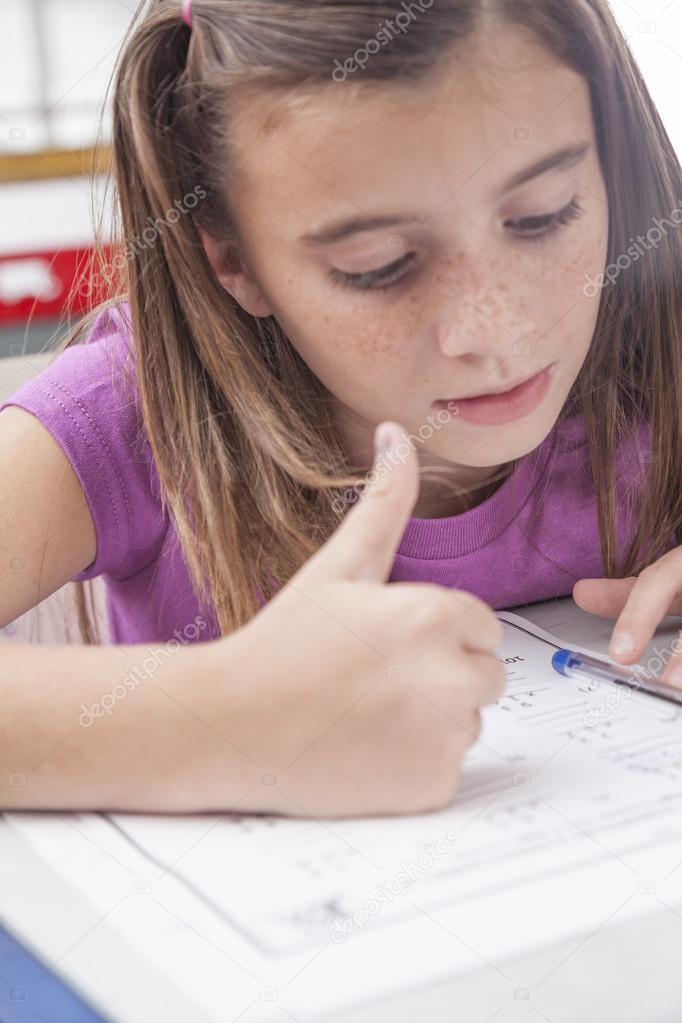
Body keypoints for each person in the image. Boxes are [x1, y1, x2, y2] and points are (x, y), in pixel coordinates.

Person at [1, 0, 681, 817]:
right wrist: (231, 723)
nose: (494, 330)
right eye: (379, 265)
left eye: (544, 214)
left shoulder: (660, 344)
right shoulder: (124, 418)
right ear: (231, 259)